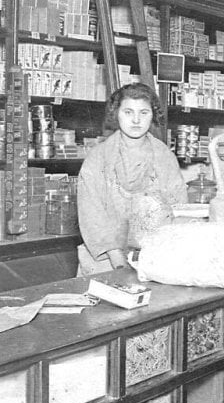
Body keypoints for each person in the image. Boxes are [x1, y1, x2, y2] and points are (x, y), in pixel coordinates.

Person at [77, 83, 187, 276]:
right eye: (128, 112)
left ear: (153, 115)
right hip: (104, 262)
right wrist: (118, 260)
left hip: (155, 259)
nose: (136, 120)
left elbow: (178, 207)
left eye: (144, 113)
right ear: (116, 113)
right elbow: (91, 214)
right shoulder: (98, 158)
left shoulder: (164, 156)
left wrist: (159, 256)